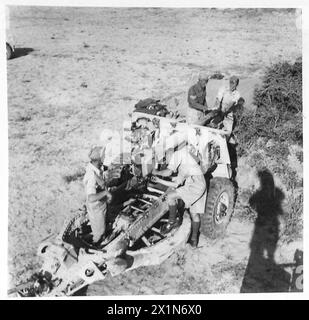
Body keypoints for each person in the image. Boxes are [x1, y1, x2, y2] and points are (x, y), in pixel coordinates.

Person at [152, 146, 207, 247]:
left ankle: (172, 222)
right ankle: (194, 240)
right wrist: (159, 180)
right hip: (201, 183)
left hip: (194, 184)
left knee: (170, 197)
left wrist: (156, 173)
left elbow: (169, 172)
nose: (167, 162)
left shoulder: (177, 154)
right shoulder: (184, 161)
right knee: (194, 213)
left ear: (169, 154)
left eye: (166, 158)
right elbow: (175, 183)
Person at [83, 146, 112, 245]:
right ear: (98, 160)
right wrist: (105, 193)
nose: (105, 158)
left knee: (104, 226)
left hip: (101, 205)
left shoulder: (95, 167)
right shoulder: (91, 175)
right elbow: (91, 197)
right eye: (103, 157)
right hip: (96, 208)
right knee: (99, 233)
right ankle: (96, 246)